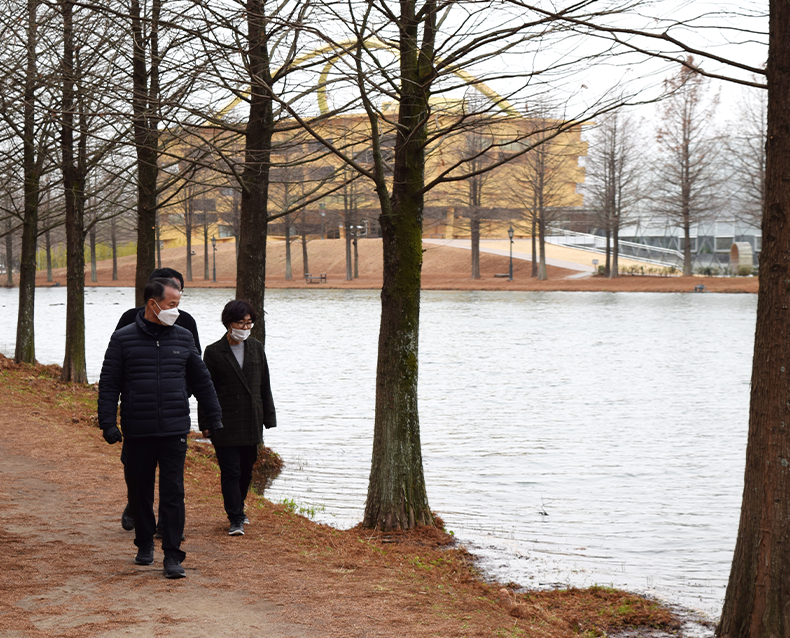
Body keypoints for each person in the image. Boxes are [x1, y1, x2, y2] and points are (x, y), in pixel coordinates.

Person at [98, 278, 223, 578]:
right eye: (172, 305)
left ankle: (172, 555)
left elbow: (203, 381)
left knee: (173, 493)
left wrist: (215, 418)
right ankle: (144, 543)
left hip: (174, 429)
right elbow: (109, 383)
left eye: (178, 305)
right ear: (153, 304)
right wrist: (107, 423)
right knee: (139, 491)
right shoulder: (123, 339)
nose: (176, 311)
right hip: (138, 430)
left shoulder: (182, 338)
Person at [116, 268, 200, 533]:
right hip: (139, 409)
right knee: (134, 465)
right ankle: (136, 506)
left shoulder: (186, 322)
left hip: (172, 409)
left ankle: (168, 524)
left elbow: (195, 365)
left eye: (178, 291)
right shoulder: (129, 318)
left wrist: (182, 392)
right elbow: (118, 361)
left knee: (172, 475)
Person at [199, 299, 276, 536]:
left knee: (246, 470)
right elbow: (205, 390)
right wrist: (206, 423)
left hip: (252, 420)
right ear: (228, 323)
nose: (244, 328)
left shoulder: (256, 348)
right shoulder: (213, 352)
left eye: (249, 323)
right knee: (230, 470)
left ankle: (239, 508)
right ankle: (235, 517)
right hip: (224, 421)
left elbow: (264, 384)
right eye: (240, 323)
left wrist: (269, 418)